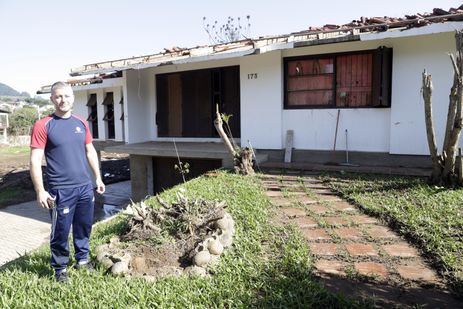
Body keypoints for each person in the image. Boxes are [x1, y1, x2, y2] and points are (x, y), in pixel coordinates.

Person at [30, 81, 105, 283]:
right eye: (58, 96)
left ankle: (82, 260)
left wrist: (97, 177)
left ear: (73, 98)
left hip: (84, 186)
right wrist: (40, 190)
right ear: (52, 99)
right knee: (60, 231)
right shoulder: (43, 125)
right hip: (60, 189)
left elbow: (90, 151)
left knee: (84, 226)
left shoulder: (81, 122)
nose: (63, 100)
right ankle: (60, 268)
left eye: (67, 96)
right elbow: (35, 160)